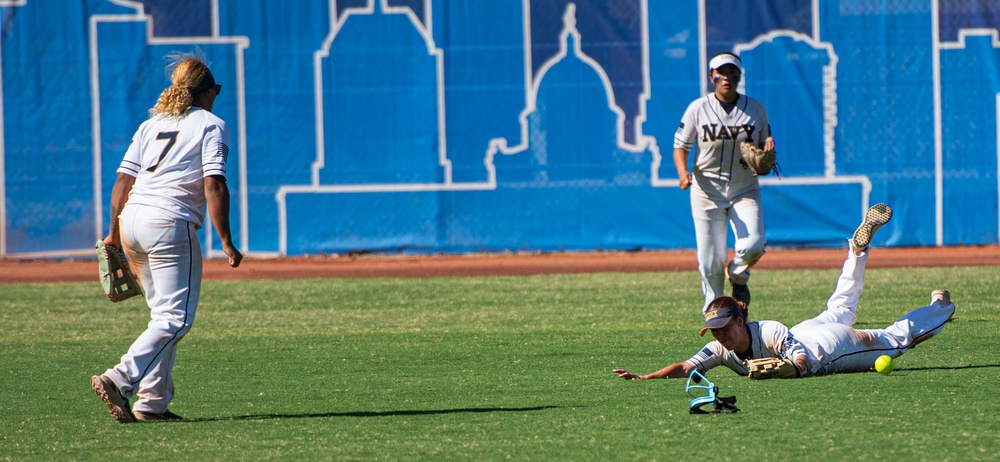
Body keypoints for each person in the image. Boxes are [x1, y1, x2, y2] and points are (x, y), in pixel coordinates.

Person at [612, 204, 956, 380]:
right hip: (808, 329)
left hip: (828, 347)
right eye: (714, 329)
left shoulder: (769, 330)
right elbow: (688, 368)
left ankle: (941, 307)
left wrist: (785, 370)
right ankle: (857, 251)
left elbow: (804, 362)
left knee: (896, 339)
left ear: (740, 319)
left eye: (724, 326)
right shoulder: (722, 346)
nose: (720, 334)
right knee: (841, 303)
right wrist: (645, 376)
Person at [91, 52, 243, 423]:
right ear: (206, 90)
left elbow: (123, 182)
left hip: (133, 221)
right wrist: (226, 240)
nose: (217, 95)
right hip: (168, 222)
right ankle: (119, 378)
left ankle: (151, 403)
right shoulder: (211, 125)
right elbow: (214, 184)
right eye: (216, 89)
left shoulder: (151, 124)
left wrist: (114, 232)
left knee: (162, 317)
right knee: (176, 320)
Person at [672, 51, 775, 311]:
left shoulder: (756, 109)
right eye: (721, 73)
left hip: (744, 188)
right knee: (710, 260)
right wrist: (683, 172)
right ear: (711, 77)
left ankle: (739, 275)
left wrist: (766, 157)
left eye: (732, 73)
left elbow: (766, 149)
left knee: (754, 243)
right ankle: (715, 309)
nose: (726, 78)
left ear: (739, 77)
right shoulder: (698, 108)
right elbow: (680, 145)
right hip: (706, 190)